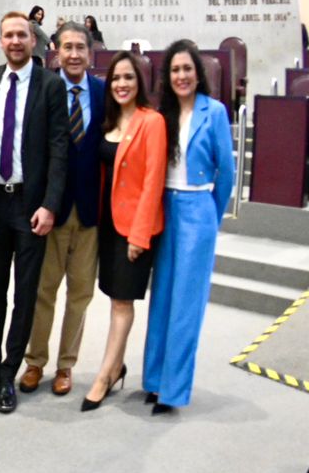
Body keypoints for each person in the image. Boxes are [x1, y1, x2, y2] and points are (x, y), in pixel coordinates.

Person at [0, 12, 68, 415]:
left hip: (31, 205)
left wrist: (50, 204)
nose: (16, 41)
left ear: (32, 40)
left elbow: (59, 148)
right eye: (9, 35)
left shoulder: (50, 85)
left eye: (23, 34)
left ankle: (9, 372)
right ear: (1, 41)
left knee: (24, 295)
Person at [144, 39, 235, 414]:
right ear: (167, 77)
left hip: (197, 209)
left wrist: (210, 217)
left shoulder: (213, 113)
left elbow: (226, 175)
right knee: (161, 297)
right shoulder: (159, 114)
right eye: (175, 70)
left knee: (186, 303)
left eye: (187, 69)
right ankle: (153, 380)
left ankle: (173, 390)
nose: (181, 76)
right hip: (164, 207)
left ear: (198, 74)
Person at [21, 21, 106, 397]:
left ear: (90, 53)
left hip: (91, 212)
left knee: (80, 294)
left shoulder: (106, 94)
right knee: (44, 290)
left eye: (80, 48)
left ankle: (66, 366)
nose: (73, 54)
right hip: (50, 210)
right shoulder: (45, 89)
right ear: (55, 51)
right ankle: (35, 361)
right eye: (67, 47)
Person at [80, 52, 166, 411]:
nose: (122, 84)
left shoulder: (152, 121)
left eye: (129, 77)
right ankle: (116, 366)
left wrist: (139, 235)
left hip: (135, 228)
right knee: (113, 295)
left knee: (121, 301)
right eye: (116, 78)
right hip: (108, 223)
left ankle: (106, 373)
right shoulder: (109, 121)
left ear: (139, 82)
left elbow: (152, 181)